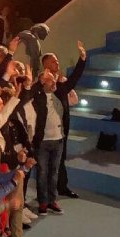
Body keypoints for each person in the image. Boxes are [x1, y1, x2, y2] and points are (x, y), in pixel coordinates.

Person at [23, 41, 86, 214]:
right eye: (49, 80)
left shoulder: (61, 90)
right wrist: (38, 82)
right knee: (42, 173)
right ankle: (43, 203)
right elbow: (28, 94)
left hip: (58, 140)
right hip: (42, 141)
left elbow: (74, 78)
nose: (53, 83)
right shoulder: (37, 95)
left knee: (54, 173)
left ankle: (53, 200)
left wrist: (82, 59)